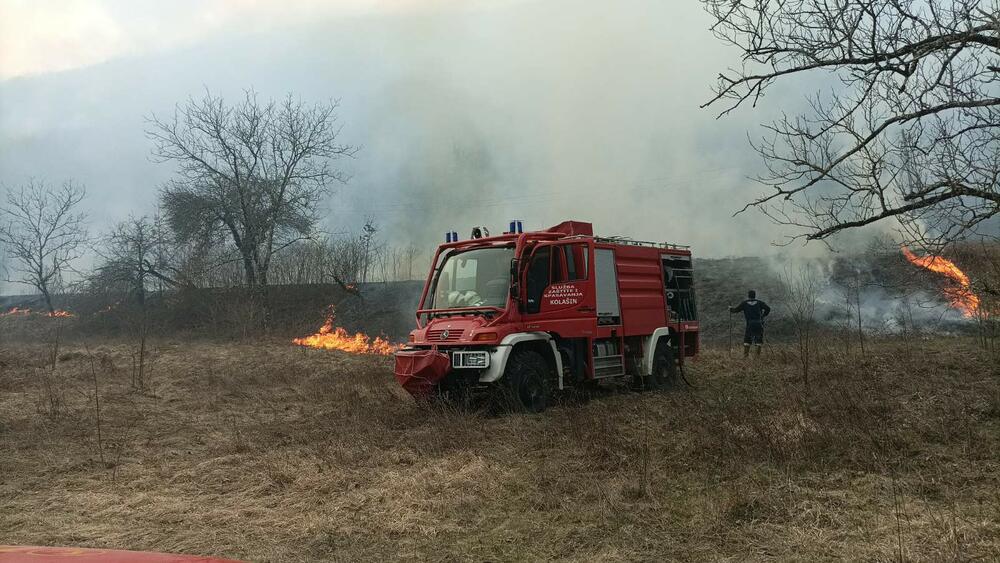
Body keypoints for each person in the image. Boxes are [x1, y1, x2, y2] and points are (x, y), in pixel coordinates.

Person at [730, 290, 771, 357]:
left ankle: (746, 356)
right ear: (755, 295)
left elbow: (735, 310)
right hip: (759, 323)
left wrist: (730, 308)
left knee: (747, 339)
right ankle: (757, 357)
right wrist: (763, 316)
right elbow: (768, 308)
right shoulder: (759, 302)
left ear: (748, 295)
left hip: (750, 324)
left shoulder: (744, 303)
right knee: (758, 340)